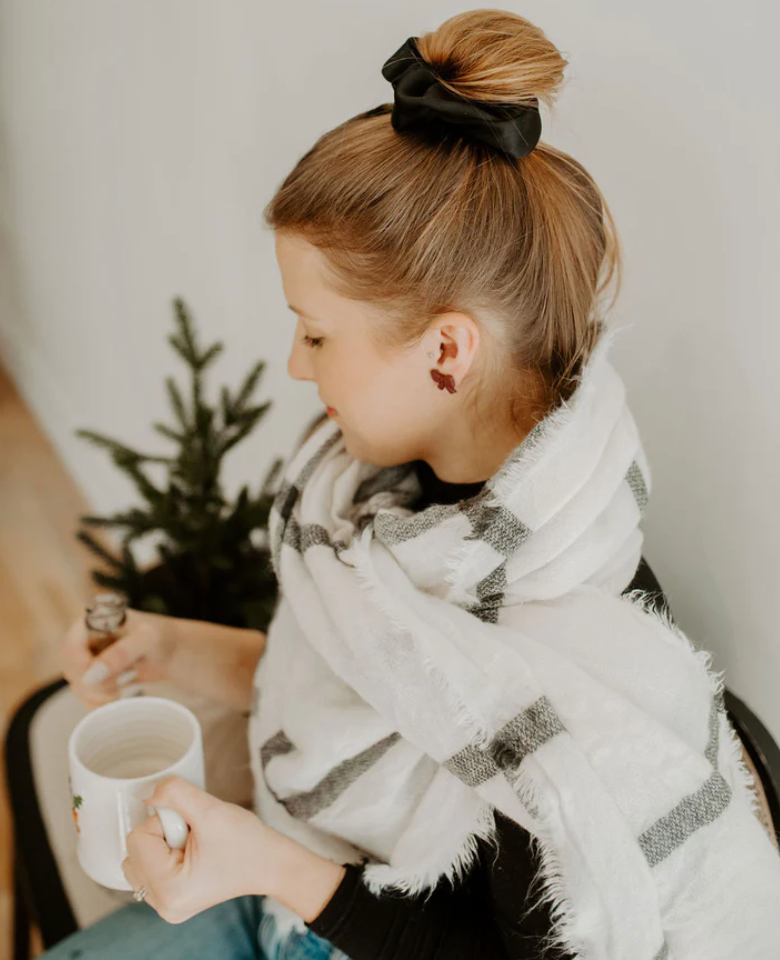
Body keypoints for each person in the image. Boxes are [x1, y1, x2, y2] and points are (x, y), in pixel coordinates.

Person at [45, 9, 780, 960]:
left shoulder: (570, 671)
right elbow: (364, 685)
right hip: (280, 890)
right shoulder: (394, 501)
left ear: (444, 355)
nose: (295, 367)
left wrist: (269, 867)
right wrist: (169, 648)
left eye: (314, 333)